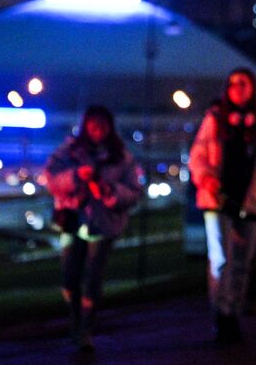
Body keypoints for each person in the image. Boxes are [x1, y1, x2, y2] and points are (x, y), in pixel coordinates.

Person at [189, 68, 256, 343]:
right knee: (222, 259)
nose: (238, 89)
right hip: (219, 199)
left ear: (253, 87)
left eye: (243, 84)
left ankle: (234, 310)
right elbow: (198, 154)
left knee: (243, 261)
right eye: (232, 84)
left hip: (251, 200)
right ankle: (222, 314)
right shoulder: (215, 117)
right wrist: (206, 178)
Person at [44, 105, 143, 351]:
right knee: (69, 276)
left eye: (103, 124)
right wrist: (77, 176)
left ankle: (85, 329)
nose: (98, 129)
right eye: (93, 123)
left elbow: (134, 191)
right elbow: (51, 177)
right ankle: (76, 319)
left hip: (103, 224)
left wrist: (109, 191)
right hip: (72, 220)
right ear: (85, 125)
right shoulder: (70, 151)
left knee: (93, 279)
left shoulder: (122, 156)